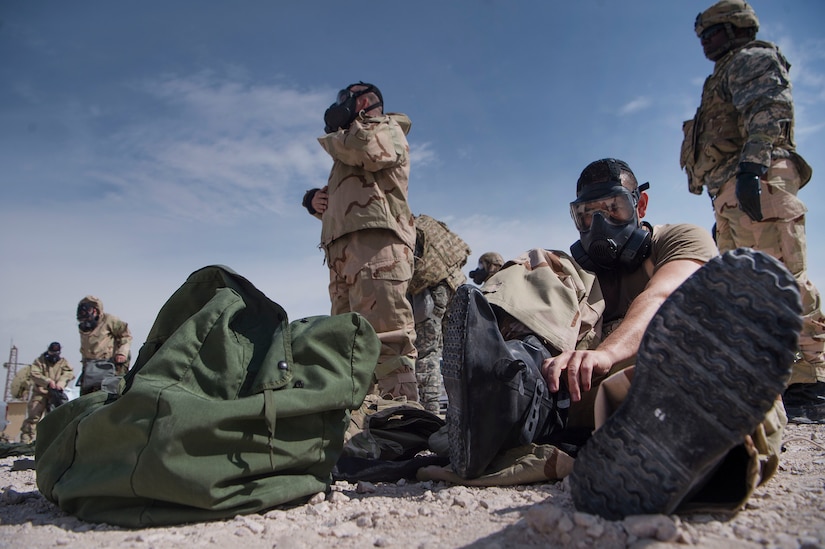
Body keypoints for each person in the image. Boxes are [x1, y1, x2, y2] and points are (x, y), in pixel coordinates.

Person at [442, 158, 801, 519]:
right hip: (569, 392)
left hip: (657, 378)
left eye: (614, 208)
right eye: (586, 214)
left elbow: (661, 297)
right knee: (544, 262)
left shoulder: (677, 239)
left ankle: (685, 452)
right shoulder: (576, 272)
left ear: (639, 205)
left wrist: (607, 353)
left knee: (714, 373)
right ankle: (503, 390)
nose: (599, 224)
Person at [681, 0, 824, 423]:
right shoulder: (722, 73)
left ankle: (811, 384)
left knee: (783, 279)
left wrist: (751, 169)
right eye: (702, 36)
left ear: (737, 28)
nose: (706, 43)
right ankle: (774, 383)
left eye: (712, 33)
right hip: (733, 190)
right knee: (746, 290)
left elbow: (768, 112)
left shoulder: (751, 58)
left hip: (756, 180)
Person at [301, 81, 418, 402]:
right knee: (348, 346)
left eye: (345, 100)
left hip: (377, 250)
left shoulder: (384, 127)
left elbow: (369, 151)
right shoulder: (346, 146)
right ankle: (362, 428)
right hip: (343, 254)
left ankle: (403, 426)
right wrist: (315, 203)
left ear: (364, 100)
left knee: (386, 340)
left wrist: (334, 137)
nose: (339, 105)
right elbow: (352, 202)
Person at [408, 214, 471, 413]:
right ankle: (462, 410)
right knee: (457, 350)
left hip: (431, 292)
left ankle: (432, 412)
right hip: (456, 285)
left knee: (428, 353)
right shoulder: (431, 224)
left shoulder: (408, 231)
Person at [19, 342, 74, 444]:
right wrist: (47, 382)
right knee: (33, 418)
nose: (54, 356)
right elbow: (34, 374)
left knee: (54, 420)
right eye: (52, 353)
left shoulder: (63, 362)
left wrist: (61, 383)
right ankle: (26, 442)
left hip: (55, 395)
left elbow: (69, 373)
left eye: (56, 353)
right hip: (40, 394)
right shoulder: (40, 361)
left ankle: (50, 444)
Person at [76, 295, 132, 395]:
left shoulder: (109, 320)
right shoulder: (84, 328)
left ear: (95, 311)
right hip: (90, 369)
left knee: (111, 396)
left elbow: (125, 335)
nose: (85, 321)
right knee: (87, 398)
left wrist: (122, 353)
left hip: (110, 366)